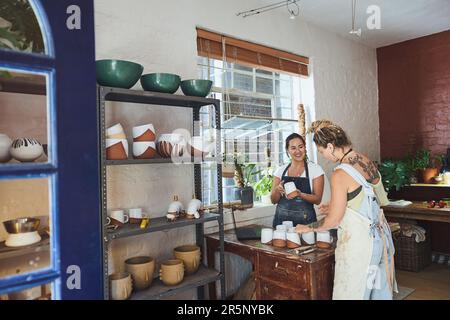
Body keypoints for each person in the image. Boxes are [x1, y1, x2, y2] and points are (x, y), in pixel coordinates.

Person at [295, 120, 397, 300]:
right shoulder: (366, 161)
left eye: (321, 151)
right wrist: (336, 205)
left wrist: (309, 228)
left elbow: (334, 221)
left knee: (352, 294)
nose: (324, 156)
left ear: (330, 146)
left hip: (359, 249)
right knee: (376, 294)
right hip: (379, 244)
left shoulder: (340, 174)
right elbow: (380, 200)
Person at [271, 133, 325, 228]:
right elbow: (273, 200)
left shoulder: (315, 169)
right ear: (287, 150)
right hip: (281, 224)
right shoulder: (280, 171)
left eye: (300, 147)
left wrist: (300, 194)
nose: (298, 151)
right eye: (293, 148)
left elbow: (317, 200)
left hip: (306, 223)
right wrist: (277, 190)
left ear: (305, 148)